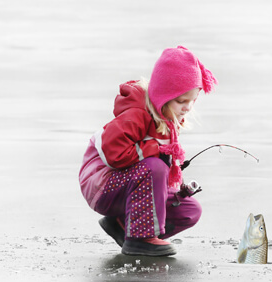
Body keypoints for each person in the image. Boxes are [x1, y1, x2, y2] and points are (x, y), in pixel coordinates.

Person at [79, 46, 217, 256]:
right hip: (102, 185)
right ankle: (140, 239)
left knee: (189, 210)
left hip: (131, 185)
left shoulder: (168, 122)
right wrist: (156, 149)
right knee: (154, 166)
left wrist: (179, 191)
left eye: (192, 101)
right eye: (181, 101)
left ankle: (122, 226)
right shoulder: (136, 115)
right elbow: (112, 154)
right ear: (164, 95)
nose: (188, 107)